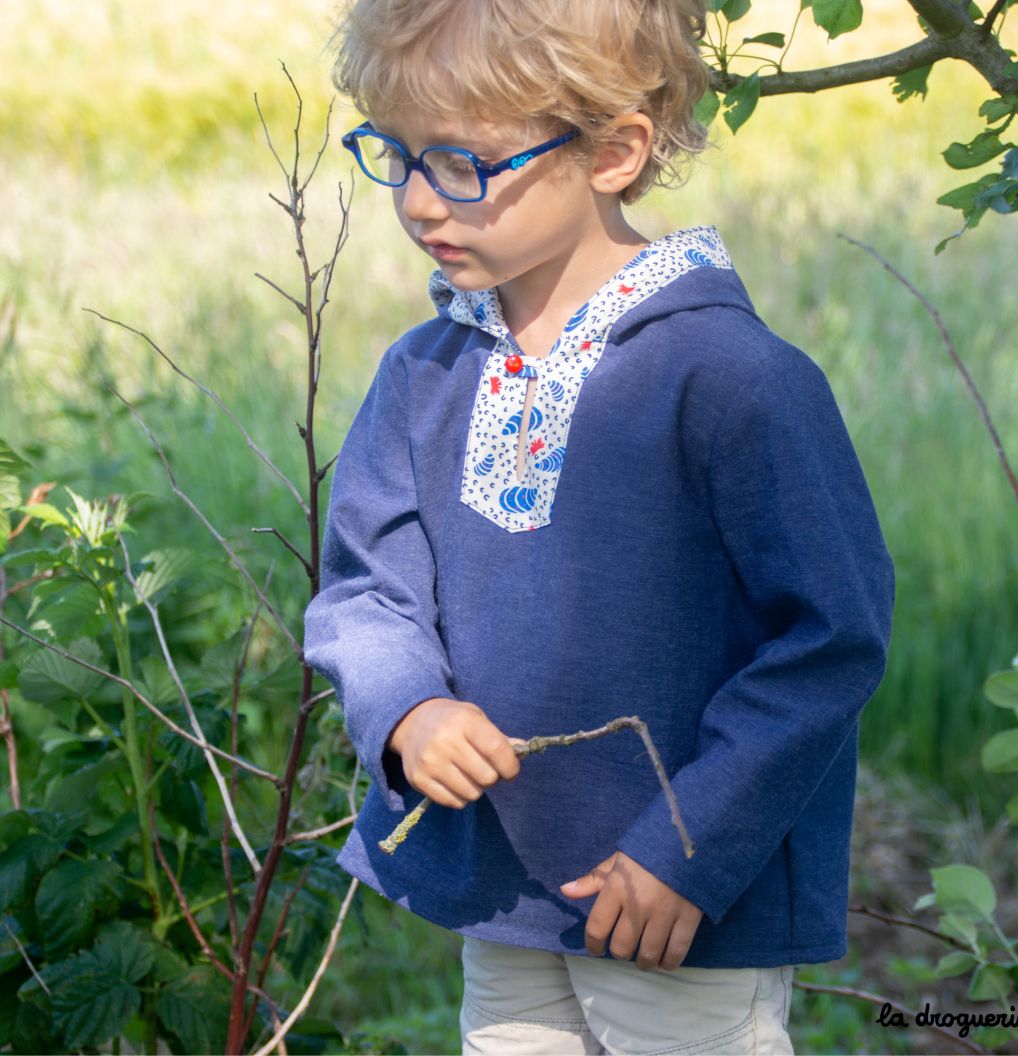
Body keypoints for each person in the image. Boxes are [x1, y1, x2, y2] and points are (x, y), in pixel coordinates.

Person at [303, 0, 897, 1052]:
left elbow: (828, 641)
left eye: (462, 163)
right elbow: (367, 586)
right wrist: (406, 713)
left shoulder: (734, 380)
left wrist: (688, 843)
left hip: (679, 911)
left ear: (614, 152)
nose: (418, 201)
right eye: (395, 156)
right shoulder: (425, 373)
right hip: (500, 889)